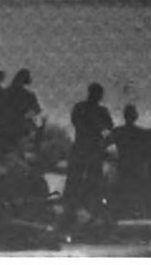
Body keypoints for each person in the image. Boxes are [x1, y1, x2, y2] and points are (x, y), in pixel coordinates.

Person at [64, 83, 114, 224]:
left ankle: (84, 210)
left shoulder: (83, 108)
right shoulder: (89, 109)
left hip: (88, 149)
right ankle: (75, 210)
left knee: (89, 180)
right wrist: (100, 134)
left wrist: (102, 138)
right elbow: (104, 129)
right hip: (87, 149)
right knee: (80, 180)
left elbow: (108, 129)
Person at [0, 69, 42, 153]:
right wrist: (28, 116)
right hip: (20, 126)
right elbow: (36, 110)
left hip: (3, 125)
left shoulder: (4, 92)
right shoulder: (28, 95)